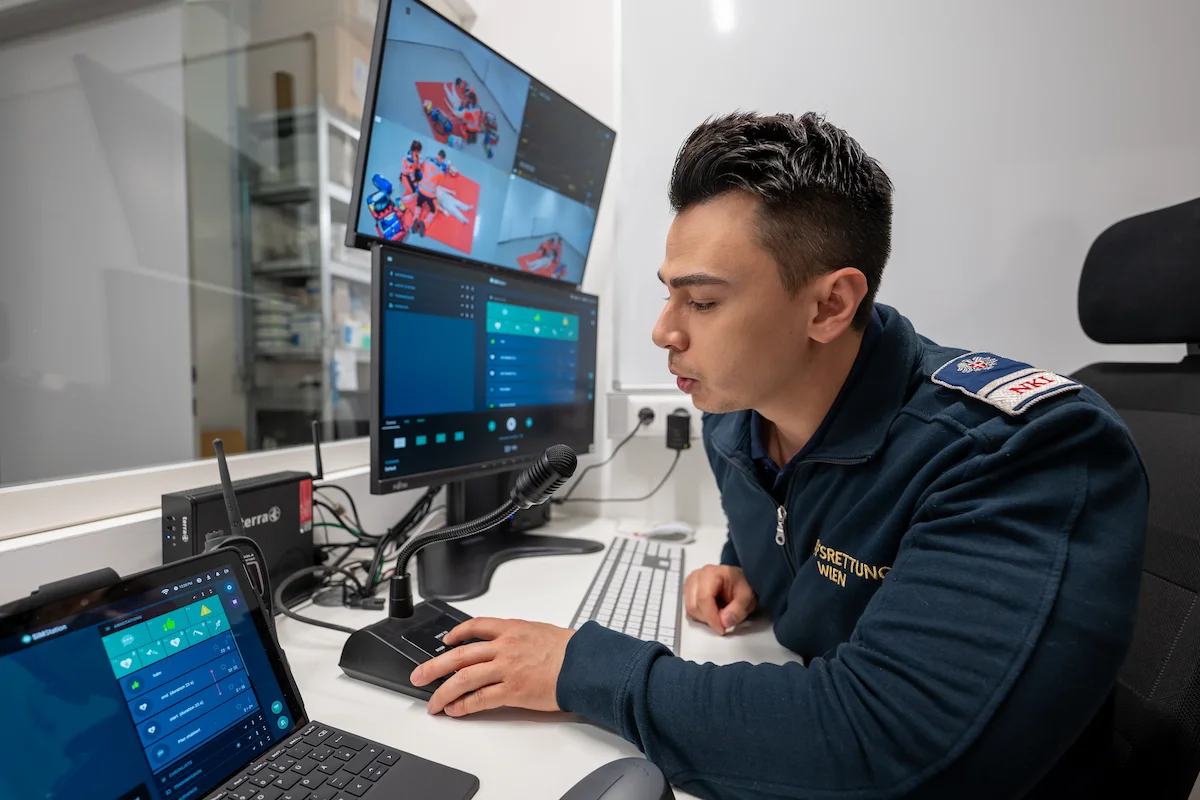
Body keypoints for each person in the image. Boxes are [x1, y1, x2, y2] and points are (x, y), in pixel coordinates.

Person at [407, 111, 1148, 799]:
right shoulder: (737, 422)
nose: (665, 331)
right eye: (667, 296)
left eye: (700, 302)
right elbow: (796, 516)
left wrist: (581, 668)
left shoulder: (1021, 453)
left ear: (829, 306)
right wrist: (751, 567)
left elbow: (886, 743)